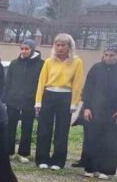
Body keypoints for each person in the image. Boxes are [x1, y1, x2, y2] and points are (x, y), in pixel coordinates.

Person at [77, 45, 117, 179]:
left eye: (112, 55)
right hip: (95, 110)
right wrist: (87, 107)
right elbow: (88, 88)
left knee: (111, 141)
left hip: (115, 111)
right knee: (92, 139)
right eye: (106, 55)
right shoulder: (96, 68)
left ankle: (106, 170)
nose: (108, 58)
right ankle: (90, 168)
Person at [35, 33, 84, 170]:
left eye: (63, 45)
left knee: (62, 130)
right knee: (44, 129)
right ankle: (42, 159)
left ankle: (58, 161)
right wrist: (38, 101)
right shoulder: (48, 62)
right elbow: (41, 82)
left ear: (69, 47)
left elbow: (77, 83)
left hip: (65, 96)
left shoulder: (77, 62)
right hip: (48, 95)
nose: (60, 48)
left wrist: (74, 103)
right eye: (57, 45)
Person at [4, 39, 44, 163]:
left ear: (32, 49)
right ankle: (8, 151)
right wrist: (6, 97)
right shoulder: (14, 63)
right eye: (22, 48)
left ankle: (24, 153)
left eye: (27, 49)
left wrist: (37, 100)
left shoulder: (41, 64)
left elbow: (41, 83)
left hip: (30, 101)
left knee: (27, 127)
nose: (24, 51)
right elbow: (8, 81)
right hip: (13, 100)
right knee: (10, 126)